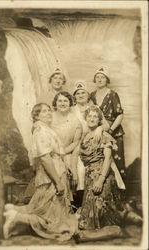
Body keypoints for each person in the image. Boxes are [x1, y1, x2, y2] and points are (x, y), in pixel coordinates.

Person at [3, 103, 78, 241]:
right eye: (44, 111)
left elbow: (53, 155)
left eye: (49, 110)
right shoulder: (41, 131)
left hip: (57, 171)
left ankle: (15, 214)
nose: (49, 113)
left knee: (50, 211)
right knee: (50, 217)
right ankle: (17, 217)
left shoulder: (45, 129)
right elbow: (45, 158)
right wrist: (57, 181)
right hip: (51, 176)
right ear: (36, 115)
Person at [78, 105, 142, 230]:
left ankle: (128, 216)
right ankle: (126, 213)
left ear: (99, 120)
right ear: (86, 118)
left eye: (95, 116)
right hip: (89, 176)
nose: (92, 119)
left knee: (98, 214)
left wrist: (101, 180)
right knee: (86, 216)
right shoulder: (84, 136)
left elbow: (107, 159)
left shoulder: (104, 135)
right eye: (89, 116)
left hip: (103, 175)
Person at [72, 81, 110, 210]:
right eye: (78, 93)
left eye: (83, 92)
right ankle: (78, 202)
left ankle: (89, 202)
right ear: (74, 96)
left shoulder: (94, 107)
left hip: (94, 144)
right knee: (79, 168)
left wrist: (99, 129)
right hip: (78, 144)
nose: (81, 95)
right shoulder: (72, 110)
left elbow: (106, 125)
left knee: (92, 167)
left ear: (88, 95)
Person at [90, 67, 126, 180]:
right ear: (94, 80)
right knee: (101, 160)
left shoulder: (113, 94)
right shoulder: (91, 95)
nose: (100, 79)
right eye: (97, 77)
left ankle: (120, 193)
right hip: (98, 130)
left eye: (103, 77)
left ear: (107, 80)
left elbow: (120, 115)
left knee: (116, 159)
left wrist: (110, 130)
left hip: (113, 131)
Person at [52, 91, 83, 199]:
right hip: (52, 152)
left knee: (76, 170)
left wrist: (63, 152)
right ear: (55, 103)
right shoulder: (49, 118)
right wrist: (56, 153)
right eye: (59, 101)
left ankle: (72, 202)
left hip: (68, 152)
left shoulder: (75, 121)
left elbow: (76, 141)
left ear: (70, 103)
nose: (62, 103)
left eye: (65, 101)